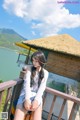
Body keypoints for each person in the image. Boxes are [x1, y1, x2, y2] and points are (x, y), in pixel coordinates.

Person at [14, 51, 49, 120]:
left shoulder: (45, 73)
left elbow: (42, 88)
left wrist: (36, 100)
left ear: (41, 61)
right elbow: (26, 85)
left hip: (37, 96)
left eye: (36, 61)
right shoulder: (29, 68)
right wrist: (27, 99)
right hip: (26, 94)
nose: (34, 63)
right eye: (33, 60)